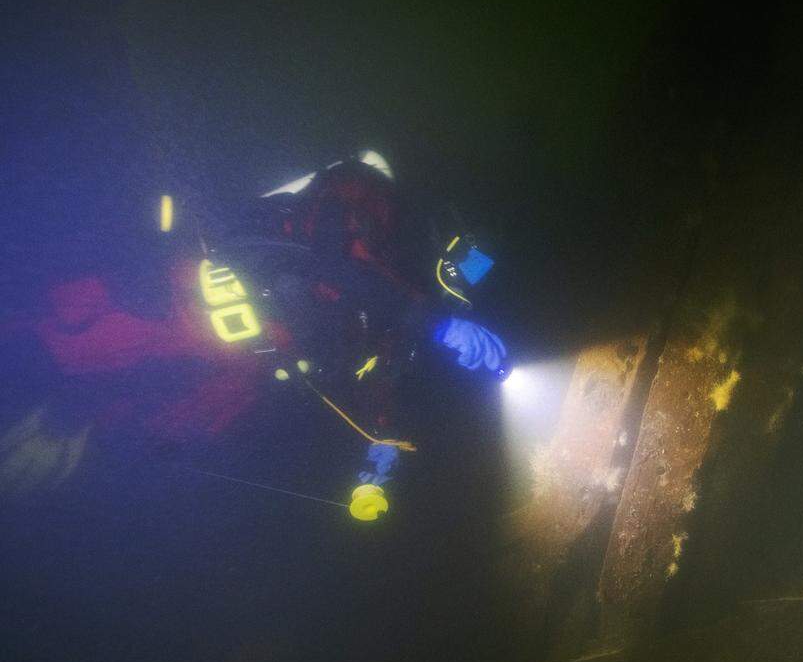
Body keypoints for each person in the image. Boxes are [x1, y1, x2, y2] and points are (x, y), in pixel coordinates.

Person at [2, 150, 509, 519]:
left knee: (136, 446)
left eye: (475, 281)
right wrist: (433, 320)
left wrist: (377, 469)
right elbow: (334, 261)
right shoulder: (366, 193)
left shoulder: (401, 308)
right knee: (49, 342)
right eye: (469, 264)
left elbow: (379, 392)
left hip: (238, 368)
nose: (462, 283)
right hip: (185, 304)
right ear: (446, 240)